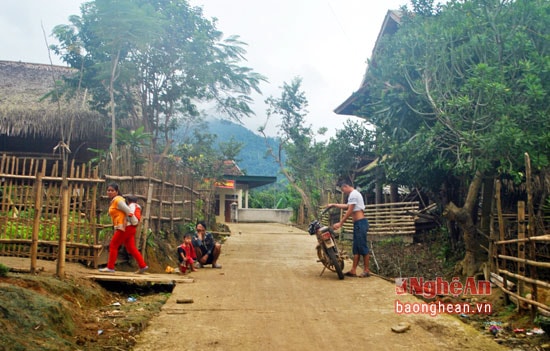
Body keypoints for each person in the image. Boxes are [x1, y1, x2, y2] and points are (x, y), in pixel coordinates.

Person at [99, 184, 148, 274]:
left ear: (117, 192)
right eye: (108, 190)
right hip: (128, 228)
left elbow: (128, 211)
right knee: (131, 247)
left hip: (125, 227)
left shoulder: (118, 200)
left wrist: (134, 222)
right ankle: (143, 266)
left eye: (112, 190)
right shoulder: (116, 200)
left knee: (113, 245)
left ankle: (110, 267)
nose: (109, 192)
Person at [327, 180, 370, 278]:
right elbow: (347, 206)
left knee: (362, 246)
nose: (343, 192)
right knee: (356, 247)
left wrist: (341, 223)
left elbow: (350, 210)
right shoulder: (353, 195)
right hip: (358, 224)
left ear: (346, 186)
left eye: (343, 190)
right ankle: (353, 270)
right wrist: (334, 205)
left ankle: (367, 270)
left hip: (360, 223)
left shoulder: (354, 194)